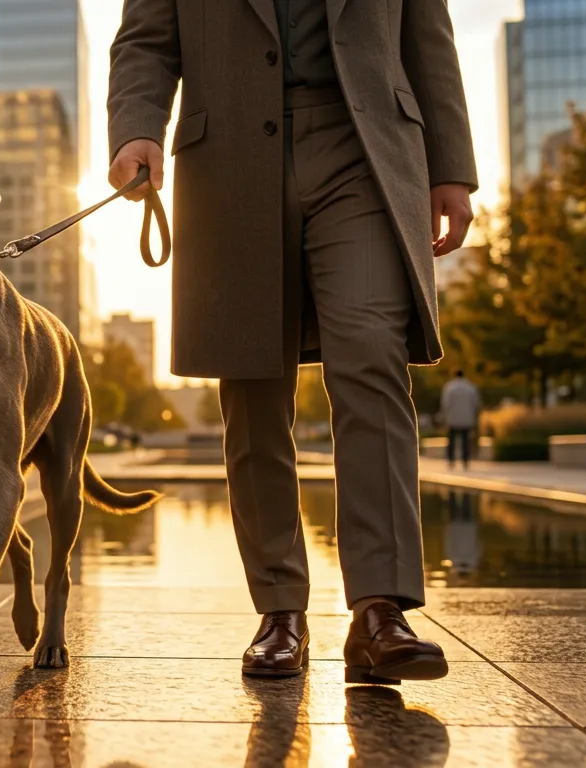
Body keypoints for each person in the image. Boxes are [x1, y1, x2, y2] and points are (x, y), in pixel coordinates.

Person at [109, 1, 476, 683]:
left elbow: (427, 35)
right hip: (227, 160)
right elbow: (146, 42)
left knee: (372, 355)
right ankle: (280, 610)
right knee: (251, 384)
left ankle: (379, 610)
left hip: (365, 147)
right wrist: (136, 130)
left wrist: (451, 166)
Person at [440, 370, 482, 470]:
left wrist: (444, 416)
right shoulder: (471, 387)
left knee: (451, 441)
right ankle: (465, 461)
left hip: (452, 418)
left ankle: (451, 461)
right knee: (465, 441)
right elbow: (476, 404)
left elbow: (445, 404)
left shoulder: (449, 388)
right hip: (467, 418)